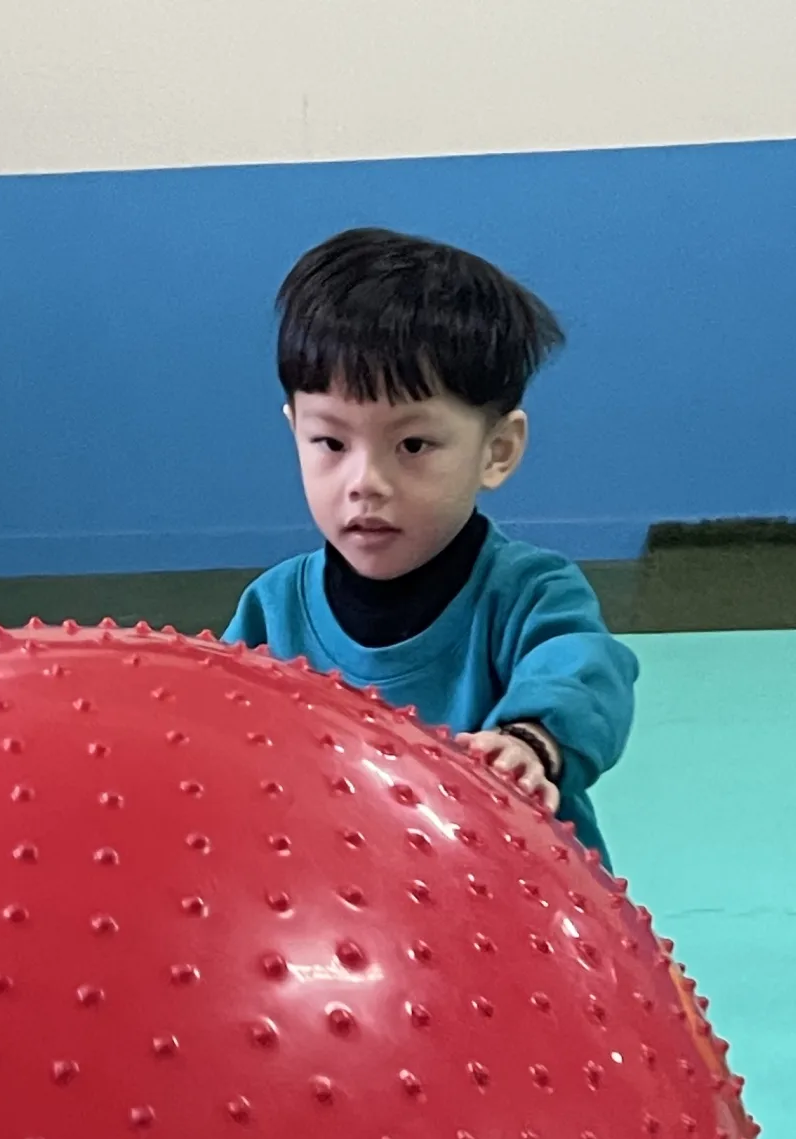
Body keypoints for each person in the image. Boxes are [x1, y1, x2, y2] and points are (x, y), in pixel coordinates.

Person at [223, 227, 638, 862]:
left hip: (514, 895)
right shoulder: (272, 610)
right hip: (344, 901)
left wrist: (530, 743)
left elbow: (585, 670)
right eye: (331, 443)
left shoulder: (528, 595)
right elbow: (216, 727)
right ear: (295, 431)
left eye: (412, 445)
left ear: (497, 451)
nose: (365, 482)